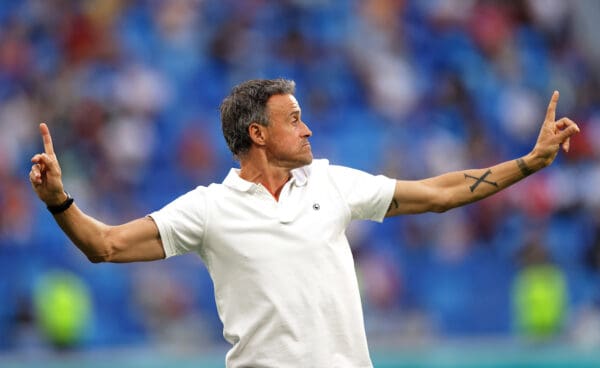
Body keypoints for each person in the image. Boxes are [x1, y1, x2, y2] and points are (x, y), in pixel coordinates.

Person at [29, 79, 579, 367]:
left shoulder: (332, 183)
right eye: (294, 119)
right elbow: (104, 246)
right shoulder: (207, 208)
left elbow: (438, 193)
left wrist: (529, 162)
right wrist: (59, 201)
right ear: (259, 135)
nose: (309, 129)